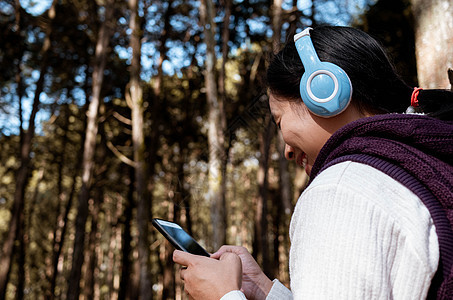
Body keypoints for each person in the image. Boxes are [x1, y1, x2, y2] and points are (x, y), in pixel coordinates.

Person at [173, 25, 453, 299]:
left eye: (279, 120)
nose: (286, 151)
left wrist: (222, 296)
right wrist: (263, 290)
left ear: (323, 91)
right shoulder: (422, 158)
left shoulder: (340, 189)